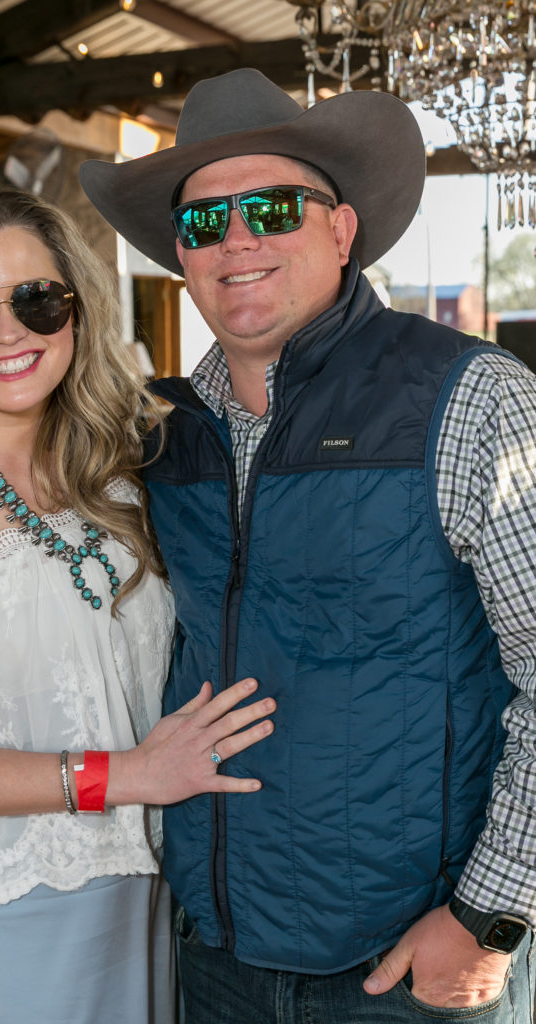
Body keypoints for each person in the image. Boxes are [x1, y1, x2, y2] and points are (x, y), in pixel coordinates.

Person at [79, 68, 536, 1023]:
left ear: (340, 229)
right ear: (180, 256)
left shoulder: (471, 397)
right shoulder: (160, 435)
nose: (237, 238)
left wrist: (489, 916)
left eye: (273, 207)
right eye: (205, 222)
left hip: (410, 971)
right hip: (216, 962)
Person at [0, 188, 276, 1024]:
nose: (8, 333)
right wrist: (129, 774)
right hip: (3, 909)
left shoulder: (128, 469)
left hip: (149, 895)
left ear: (77, 311)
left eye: (35, 300)